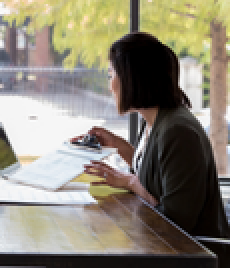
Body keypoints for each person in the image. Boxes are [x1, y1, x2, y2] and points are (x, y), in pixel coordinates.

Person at [79, 32, 229, 240]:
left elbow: (175, 225)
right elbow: (158, 176)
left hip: (192, 255)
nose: (110, 86)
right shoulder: (155, 119)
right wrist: (120, 146)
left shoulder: (178, 132)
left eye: (111, 75)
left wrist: (131, 183)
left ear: (133, 78)